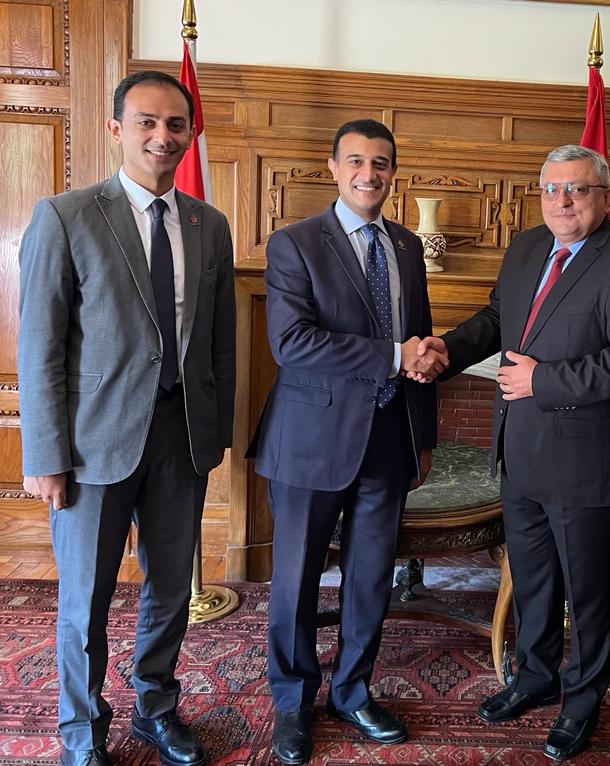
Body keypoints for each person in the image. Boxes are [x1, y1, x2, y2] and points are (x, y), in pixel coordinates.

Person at [418, 144, 610, 761]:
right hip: (519, 452)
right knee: (533, 581)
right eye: (552, 188)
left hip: (585, 462)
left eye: (578, 189)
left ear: (607, 197)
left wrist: (544, 380)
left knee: (587, 593)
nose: (563, 200)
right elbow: (497, 318)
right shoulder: (529, 247)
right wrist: (448, 349)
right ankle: (534, 676)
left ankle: (582, 702)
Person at [17, 70, 236, 766]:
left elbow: (220, 343)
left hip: (182, 438)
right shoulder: (67, 216)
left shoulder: (208, 225)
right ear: (117, 129)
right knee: (85, 600)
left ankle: (155, 709)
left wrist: (215, 433)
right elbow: (40, 345)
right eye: (146, 121)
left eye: (175, 124)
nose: (161, 136)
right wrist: (44, 454)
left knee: (171, 589)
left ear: (190, 134)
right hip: (91, 445)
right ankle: (83, 734)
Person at [245, 119, 446, 765]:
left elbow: (419, 337)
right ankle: (292, 702)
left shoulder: (406, 245)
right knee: (297, 578)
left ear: (393, 173)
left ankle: (352, 691)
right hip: (310, 440)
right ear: (333, 168)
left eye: (381, 162)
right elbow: (292, 343)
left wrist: (423, 435)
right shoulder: (295, 243)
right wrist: (393, 356)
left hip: (389, 437)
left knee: (369, 578)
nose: (369, 173)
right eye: (356, 161)